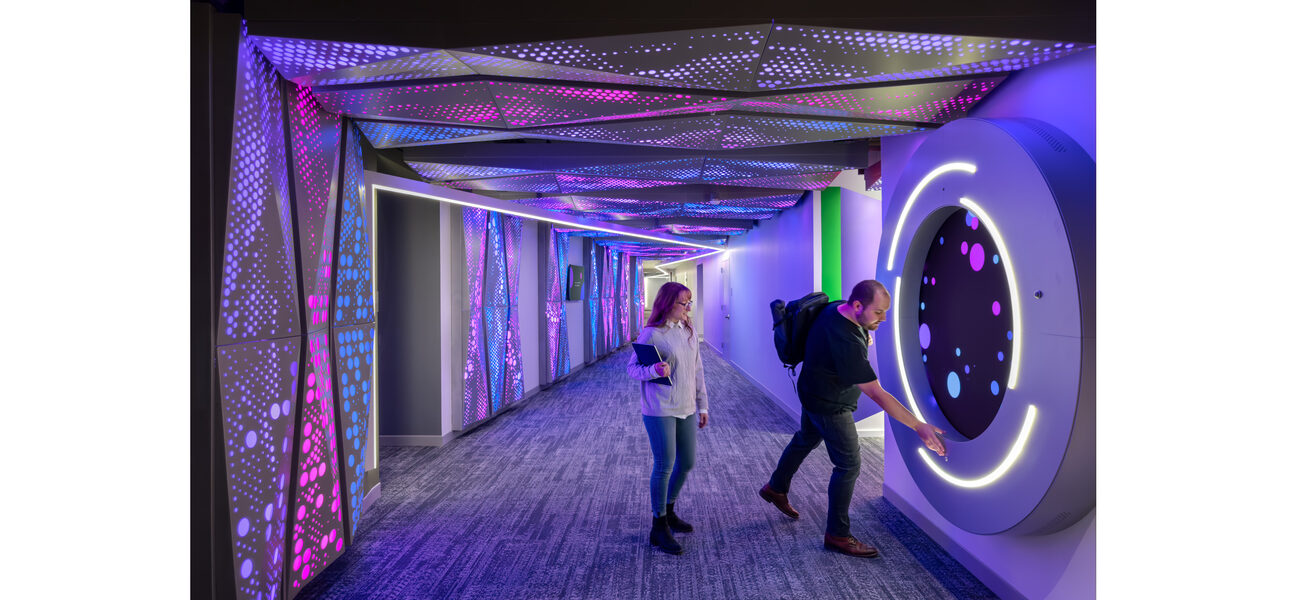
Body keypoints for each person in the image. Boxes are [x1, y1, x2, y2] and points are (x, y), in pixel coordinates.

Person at [759, 279, 946, 558]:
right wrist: (918, 425)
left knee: (806, 438)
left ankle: (775, 487)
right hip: (830, 405)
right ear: (858, 305)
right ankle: (837, 534)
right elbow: (876, 393)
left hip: (811, 391)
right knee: (848, 465)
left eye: (885, 312)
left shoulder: (836, 307)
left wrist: (865, 330)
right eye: (878, 313)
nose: (883, 319)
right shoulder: (845, 338)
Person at [627, 281, 709, 555]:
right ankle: (658, 524)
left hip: (685, 407)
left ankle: (669, 509)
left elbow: (697, 370)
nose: (687, 308)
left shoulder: (688, 330)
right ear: (667, 304)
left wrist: (703, 405)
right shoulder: (651, 333)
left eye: (689, 302)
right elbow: (633, 369)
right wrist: (653, 371)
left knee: (686, 462)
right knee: (664, 465)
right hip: (660, 408)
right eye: (682, 303)